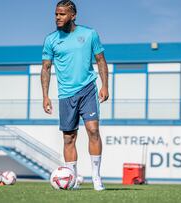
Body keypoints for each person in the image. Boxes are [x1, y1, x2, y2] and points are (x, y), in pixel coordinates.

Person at [41, 0, 109, 191]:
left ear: (73, 15)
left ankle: (96, 177)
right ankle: (72, 178)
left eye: (62, 14)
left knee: (93, 130)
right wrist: (45, 96)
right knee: (69, 138)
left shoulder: (89, 34)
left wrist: (105, 86)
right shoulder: (51, 40)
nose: (57, 17)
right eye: (56, 14)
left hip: (88, 89)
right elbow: (46, 68)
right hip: (65, 95)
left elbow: (101, 60)